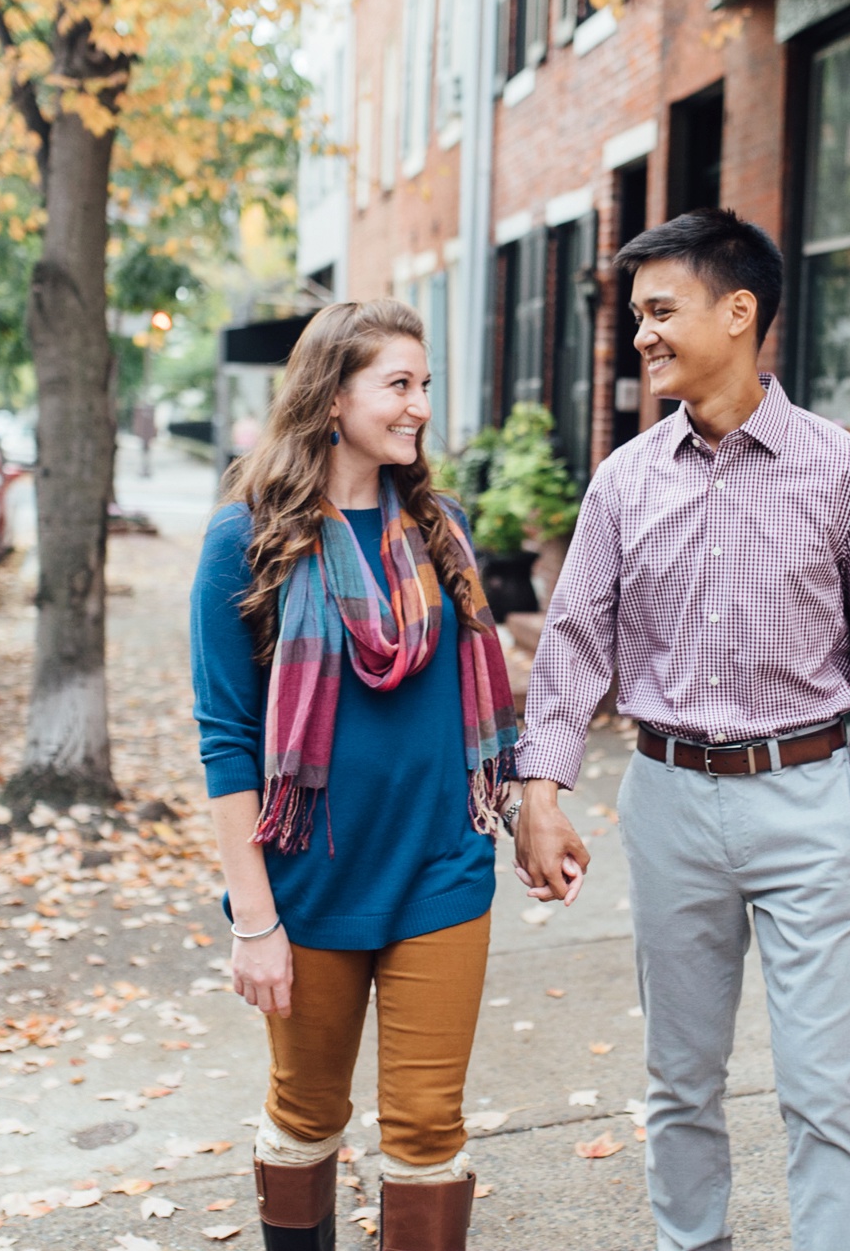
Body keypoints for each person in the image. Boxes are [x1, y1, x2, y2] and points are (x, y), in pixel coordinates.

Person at [512, 208, 850, 1251]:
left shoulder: (844, 469)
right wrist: (540, 790)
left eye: (661, 309)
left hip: (808, 795)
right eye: (637, 313)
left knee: (823, 1087)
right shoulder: (623, 478)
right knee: (680, 1079)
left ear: (738, 312)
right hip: (667, 801)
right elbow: (573, 644)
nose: (642, 332)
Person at [190, 299, 518, 1251]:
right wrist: (254, 923)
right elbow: (226, 745)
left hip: (441, 872)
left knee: (427, 1133)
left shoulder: (440, 527)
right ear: (333, 397)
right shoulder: (244, 539)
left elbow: (472, 703)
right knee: (306, 1116)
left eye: (425, 386)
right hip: (312, 884)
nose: (420, 407)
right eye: (399, 385)